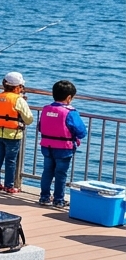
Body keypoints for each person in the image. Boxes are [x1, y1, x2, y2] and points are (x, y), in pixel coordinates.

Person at [37, 80, 87, 208]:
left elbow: (40, 127)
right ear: (69, 97)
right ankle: (58, 200)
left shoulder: (46, 109)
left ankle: (44, 197)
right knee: (61, 174)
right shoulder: (70, 112)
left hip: (47, 147)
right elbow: (81, 131)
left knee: (47, 172)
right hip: (64, 149)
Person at [0, 72, 34, 194]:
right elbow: (29, 119)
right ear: (17, 87)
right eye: (21, 87)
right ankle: (9, 186)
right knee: (10, 160)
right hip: (13, 134)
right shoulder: (18, 100)